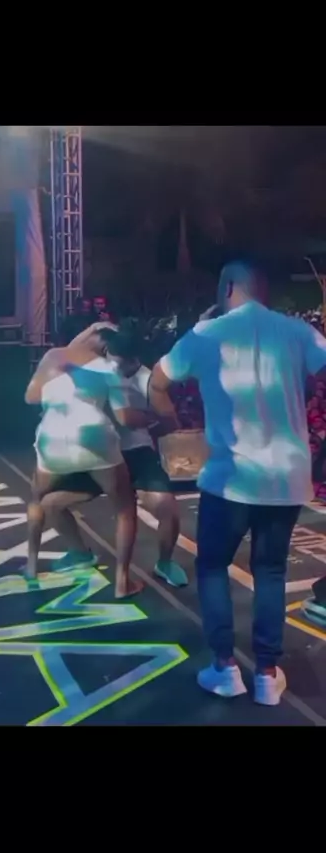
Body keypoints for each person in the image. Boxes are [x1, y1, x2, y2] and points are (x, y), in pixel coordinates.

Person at [149, 260, 326, 707]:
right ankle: (266, 673)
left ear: (228, 287)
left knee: (212, 567)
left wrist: (171, 423)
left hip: (229, 479)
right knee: (271, 571)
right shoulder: (298, 332)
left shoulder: (206, 334)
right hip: (286, 477)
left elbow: (157, 379)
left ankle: (224, 667)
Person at [40, 323, 188, 587]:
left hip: (137, 454)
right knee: (51, 504)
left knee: (167, 508)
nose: (114, 368)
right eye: (111, 359)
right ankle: (80, 553)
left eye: (120, 364)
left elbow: (170, 422)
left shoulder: (148, 380)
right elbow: (63, 354)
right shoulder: (97, 368)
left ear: (134, 360)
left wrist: (144, 420)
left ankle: (164, 563)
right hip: (100, 454)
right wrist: (94, 328)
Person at [25, 322, 143, 599]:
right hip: (95, 438)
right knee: (124, 506)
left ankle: (31, 566)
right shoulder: (109, 368)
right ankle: (122, 582)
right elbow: (124, 417)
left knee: (37, 499)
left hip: (52, 438)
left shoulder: (54, 357)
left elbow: (30, 397)